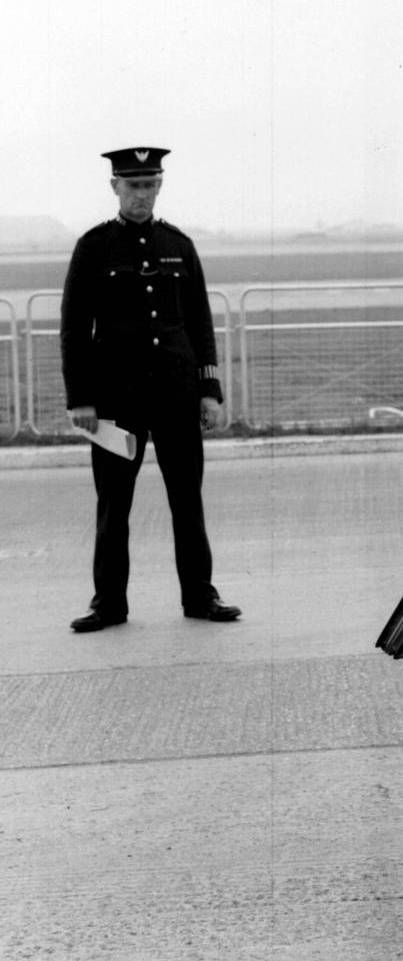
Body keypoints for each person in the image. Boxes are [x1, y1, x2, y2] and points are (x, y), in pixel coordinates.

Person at [61, 146, 241, 632]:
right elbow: (75, 328)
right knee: (113, 503)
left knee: (187, 497)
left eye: (149, 184)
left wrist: (209, 389)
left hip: (176, 392)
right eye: (132, 185)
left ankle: (200, 596)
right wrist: (81, 398)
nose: (140, 194)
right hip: (116, 398)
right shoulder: (94, 247)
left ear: (159, 186)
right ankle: (109, 605)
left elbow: (199, 321)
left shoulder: (178, 245)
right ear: (115, 187)